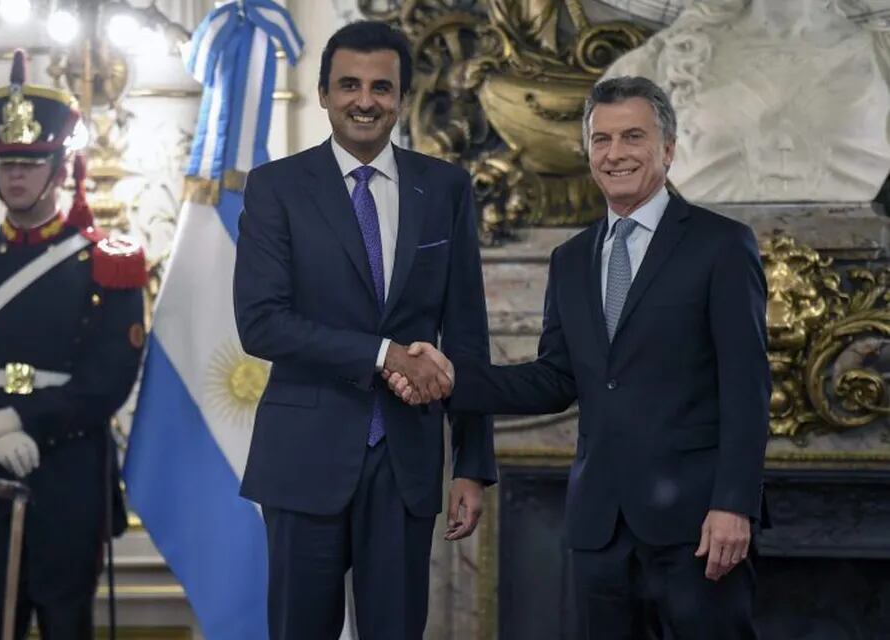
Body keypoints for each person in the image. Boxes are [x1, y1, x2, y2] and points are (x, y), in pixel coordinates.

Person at [388, 76, 770, 639]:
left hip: (698, 525)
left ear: (667, 148)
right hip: (599, 527)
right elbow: (554, 379)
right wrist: (449, 380)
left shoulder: (721, 245)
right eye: (601, 139)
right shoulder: (570, 259)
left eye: (632, 137)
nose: (615, 153)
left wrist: (734, 505)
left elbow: (747, 386)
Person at [233, 20, 497, 640]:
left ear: (402, 98)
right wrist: (384, 354)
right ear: (323, 93)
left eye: (382, 87)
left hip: (405, 462)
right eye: (349, 85)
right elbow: (261, 323)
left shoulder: (447, 189)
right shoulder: (276, 188)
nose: (365, 100)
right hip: (302, 459)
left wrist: (472, 463)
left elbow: (467, 335)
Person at [0, 50, 147, 639]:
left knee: (68, 621)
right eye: (8, 162)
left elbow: (106, 382)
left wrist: (22, 420)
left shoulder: (106, 266)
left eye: (31, 161)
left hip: (68, 472)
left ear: (61, 167)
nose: (16, 174)